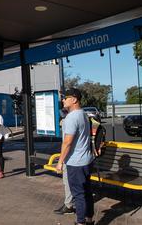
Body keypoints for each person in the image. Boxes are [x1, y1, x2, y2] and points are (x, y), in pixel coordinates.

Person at [54, 88, 95, 225]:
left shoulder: (71, 117)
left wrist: (60, 162)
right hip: (87, 160)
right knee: (87, 191)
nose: (63, 100)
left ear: (74, 99)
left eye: (66, 97)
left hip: (75, 163)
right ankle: (89, 220)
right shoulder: (83, 114)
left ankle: (80, 222)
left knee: (78, 194)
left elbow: (67, 142)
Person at [54, 106, 76, 215]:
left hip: (71, 158)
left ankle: (69, 205)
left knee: (68, 181)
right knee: (68, 181)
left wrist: (60, 161)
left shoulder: (69, 120)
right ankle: (70, 203)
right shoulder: (81, 117)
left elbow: (67, 143)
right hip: (77, 158)